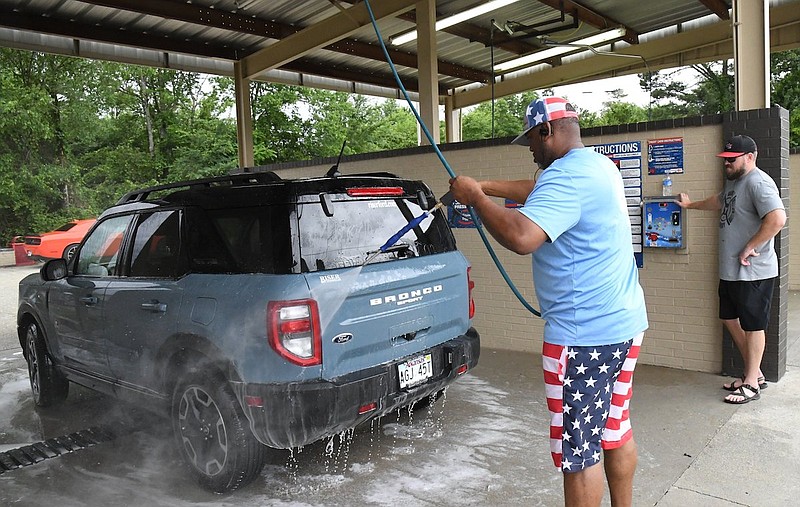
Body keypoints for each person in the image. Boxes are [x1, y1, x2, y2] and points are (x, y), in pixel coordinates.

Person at [448, 97, 648, 507]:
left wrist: (477, 200)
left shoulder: (566, 179)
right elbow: (537, 189)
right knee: (615, 429)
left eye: (532, 143)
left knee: (579, 454)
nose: (532, 153)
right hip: (624, 325)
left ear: (548, 131)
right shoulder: (598, 166)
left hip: (582, 340)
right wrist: (485, 186)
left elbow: (522, 236)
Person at [677, 135, 786, 404]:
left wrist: (751, 245)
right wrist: (691, 205)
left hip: (754, 272)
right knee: (729, 318)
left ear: (750, 156)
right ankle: (755, 373)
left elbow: (777, 218)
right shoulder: (735, 182)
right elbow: (719, 201)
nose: (726, 164)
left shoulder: (758, 182)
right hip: (731, 271)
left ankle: (751, 383)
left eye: (731, 159)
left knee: (753, 325)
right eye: (725, 159)